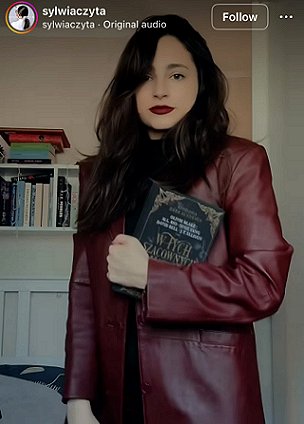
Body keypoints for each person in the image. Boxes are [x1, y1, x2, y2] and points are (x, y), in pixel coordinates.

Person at [63, 14, 293, 424]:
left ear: (200, 81)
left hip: (207, 399)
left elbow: (264, 285)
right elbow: (84, 290)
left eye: (177, 75)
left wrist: (153, 276)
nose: (161, 90)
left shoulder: (238, 162)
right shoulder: (97, 173)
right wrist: (78, 399)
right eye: (146, 76)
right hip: (115, 398)